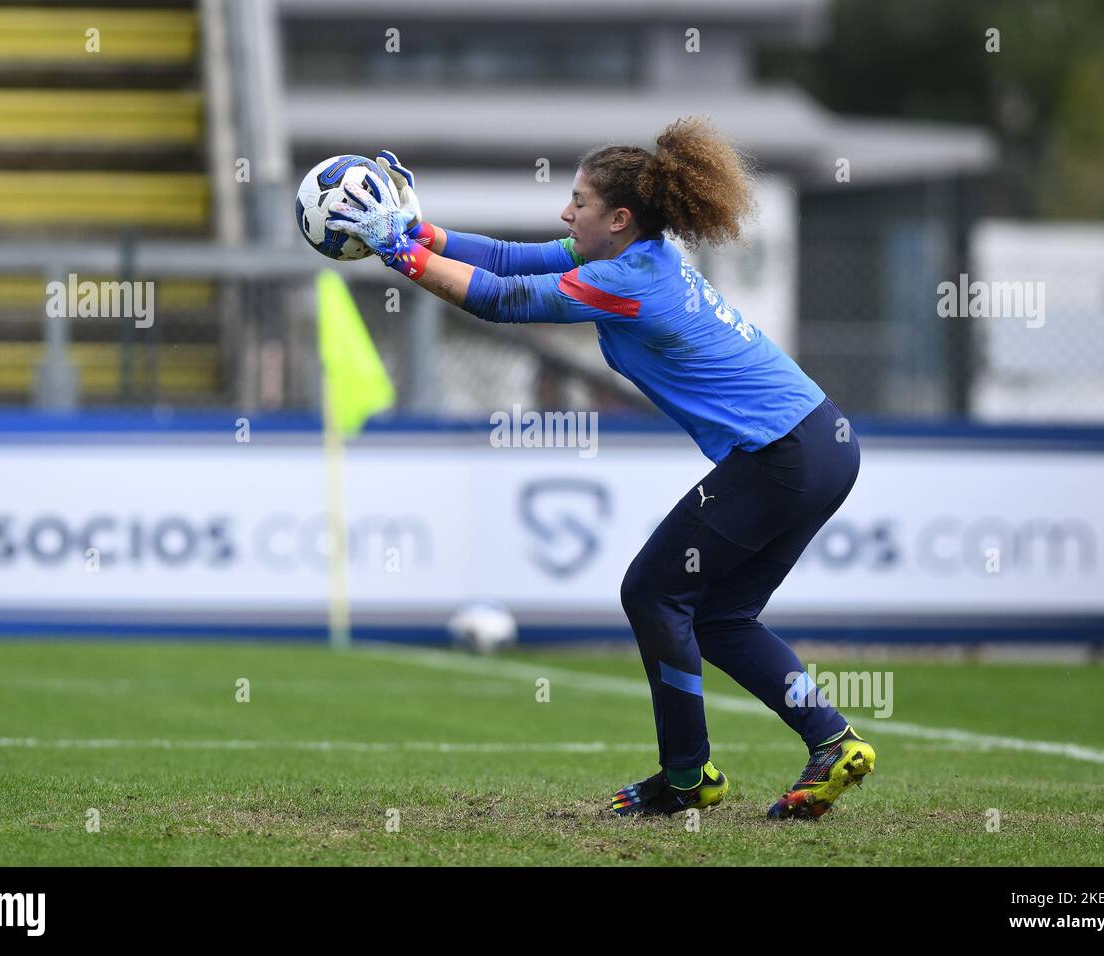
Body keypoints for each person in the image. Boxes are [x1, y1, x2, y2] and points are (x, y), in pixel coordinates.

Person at [331, 117, 875, 820]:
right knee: (722, 616)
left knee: (654, 593)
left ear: (617, 218)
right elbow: (506, 257)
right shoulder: (640, 259)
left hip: (784, 453)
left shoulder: (622, 282)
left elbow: (502, 300)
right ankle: (829, 742)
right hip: (823, 443)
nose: (566, 211)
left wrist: (397, 253)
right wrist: (421, 232)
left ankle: (688, 777)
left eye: (579, 202)